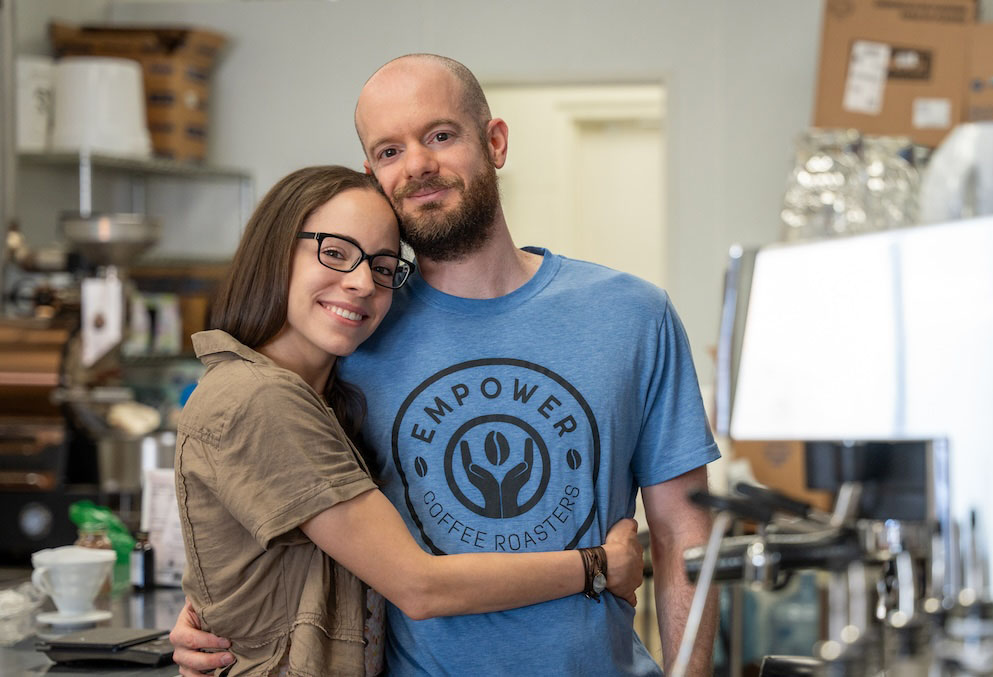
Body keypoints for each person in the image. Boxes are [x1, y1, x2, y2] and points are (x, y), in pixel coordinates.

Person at [172, 54, 721, 676]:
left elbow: (686, 535)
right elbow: (274, 496)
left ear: (495, 142)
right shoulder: (351, 332)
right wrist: (219, 614)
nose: (417, 165)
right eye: (389, 150)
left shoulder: (633, 314)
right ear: (373, 175)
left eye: (439, 136)